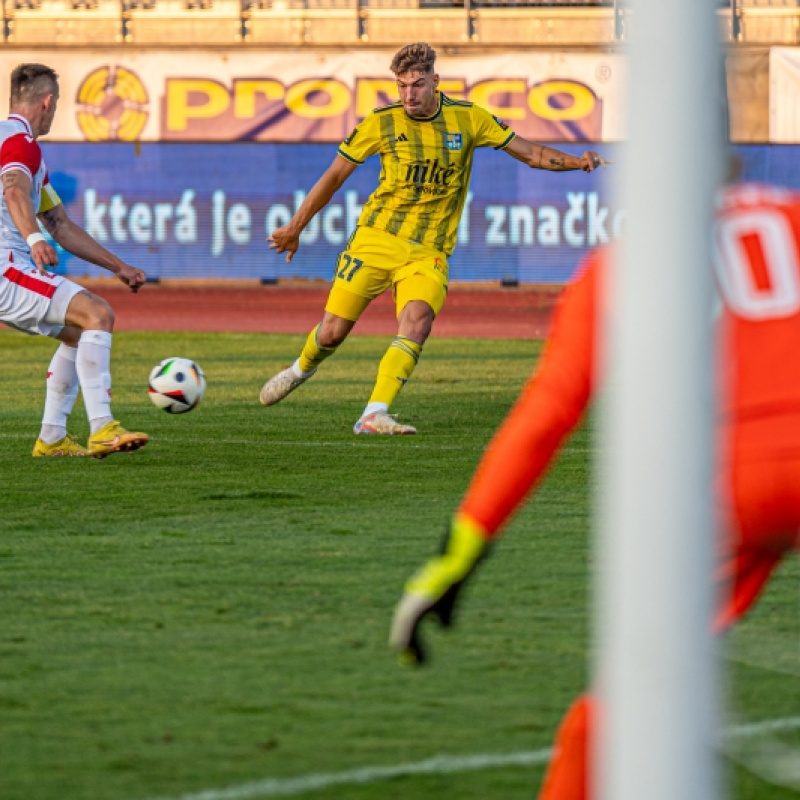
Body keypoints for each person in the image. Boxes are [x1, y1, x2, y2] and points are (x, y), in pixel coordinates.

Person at [390, 181, 800, 798]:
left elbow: (547, 413)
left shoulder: (624, 263)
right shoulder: (792, 215)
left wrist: (461, 551)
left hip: (733, 488)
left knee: (624, 705)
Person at [261, 42, 608, 435]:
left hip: (428, 251)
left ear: (435, 81)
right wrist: (295, 227)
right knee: (332, 333)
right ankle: (300, 369)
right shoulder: (381, 122)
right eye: (402, 85)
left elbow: (530, 153)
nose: (408, 94)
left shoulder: (468, 119)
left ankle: (374, 413)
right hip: (376, 240)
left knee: (418, 320)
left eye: (417, 84)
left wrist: (578, 161)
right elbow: (335, 175)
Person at [1, 63, 149, 458]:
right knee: (97, 314)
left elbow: (61, 225)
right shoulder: (22, 144)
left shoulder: (17, 147)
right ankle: (102, 427)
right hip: (7, 268)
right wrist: (33, 238)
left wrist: (118, 266)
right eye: (57, 103)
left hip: (10, 268)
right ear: (47, 103)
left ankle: (51, 438)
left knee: (76, 333)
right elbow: (15, 191)